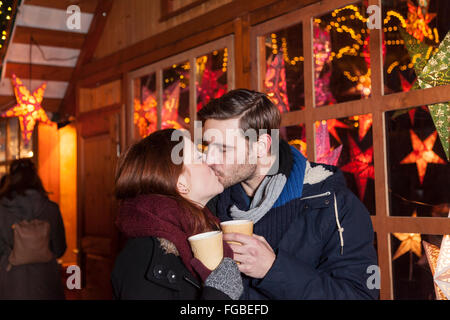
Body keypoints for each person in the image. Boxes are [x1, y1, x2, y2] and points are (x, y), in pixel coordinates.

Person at [198, 89, 379, 299]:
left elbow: (360, 296)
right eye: (207, 146)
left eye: (223, 148)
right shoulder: (208, 201)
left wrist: (273, 270)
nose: (208, 159)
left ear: (261, 146)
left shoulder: (334, 204)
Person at [111, 129, 243, 300]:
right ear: (181, 183)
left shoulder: (201, 226)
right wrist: (220, 295)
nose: (209, 160)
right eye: (198, 157)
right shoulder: (143, 254)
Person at [0, 159, 67, 299]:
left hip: (11, 283)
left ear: (11, 178)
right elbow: (60, 249)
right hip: (47, 283)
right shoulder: (51, 209)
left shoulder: (2, 211)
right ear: (36, 177)